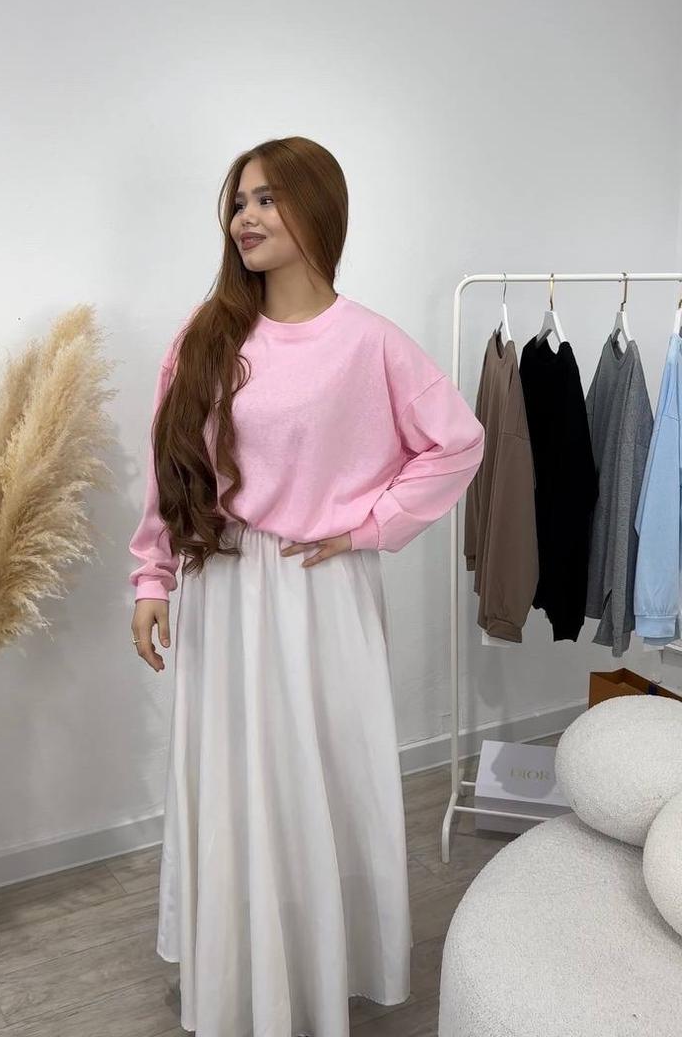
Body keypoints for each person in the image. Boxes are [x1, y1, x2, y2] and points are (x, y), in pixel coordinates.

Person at [128, 135, 485, 1037]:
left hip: (322, 593)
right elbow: (170, 469)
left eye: (266, 198)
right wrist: (152, 576)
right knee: (235, 784)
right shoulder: (207, 336)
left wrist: (369, 525)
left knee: (324, 779)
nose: (244, 217)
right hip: (223, 590)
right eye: (238, 200)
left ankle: (326, 963)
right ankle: (238, 965)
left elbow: (458, 443)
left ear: (316, 209)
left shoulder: (371, 341)